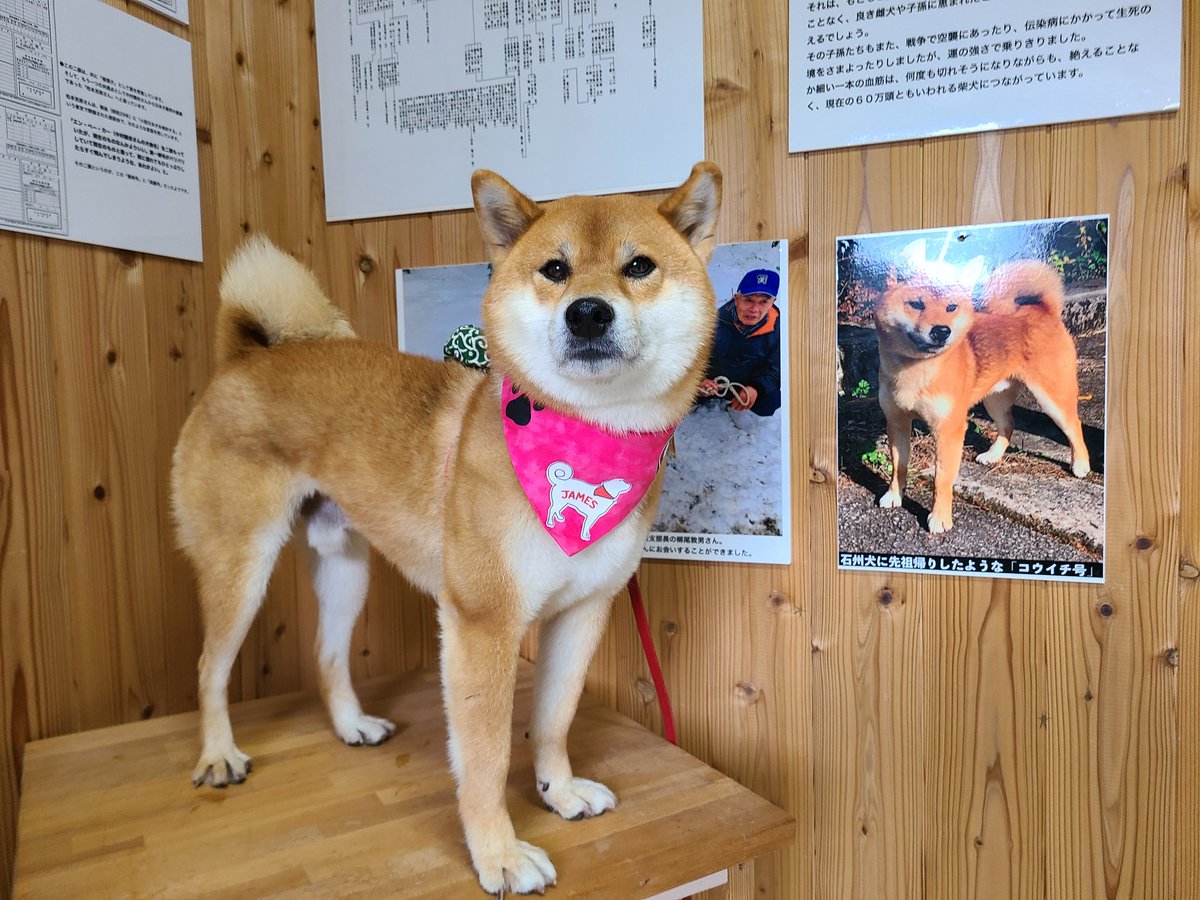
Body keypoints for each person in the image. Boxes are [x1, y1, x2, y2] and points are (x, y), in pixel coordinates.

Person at [698, 268, 782, 416]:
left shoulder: (780, 330)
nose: (754, 309)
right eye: (748, 300)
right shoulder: (712, 322)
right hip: (711, 384)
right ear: (736, 299)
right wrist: (699, 381)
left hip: (745, 386)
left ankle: (740, 403)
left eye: (763, 302)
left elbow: (776, 370)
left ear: (772, 302)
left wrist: (756, 388)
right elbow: (691, 358)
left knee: (772, 400)